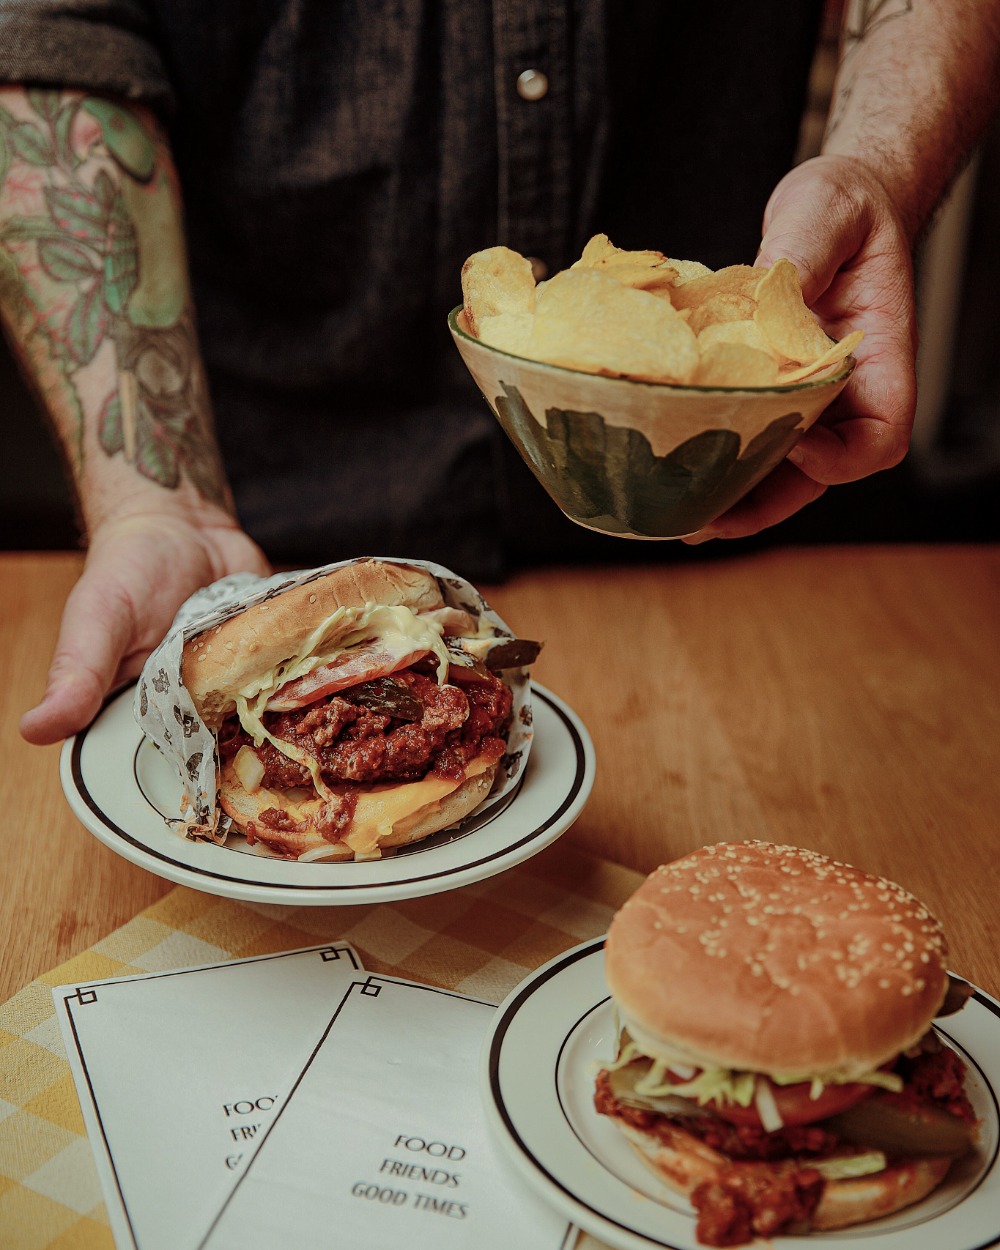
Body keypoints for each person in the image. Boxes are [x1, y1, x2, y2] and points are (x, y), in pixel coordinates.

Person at [3, 1, 999, 747]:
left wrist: (874, 166)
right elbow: (54, 33)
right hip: (250, 555)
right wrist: (156, 502)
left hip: (751, 528)